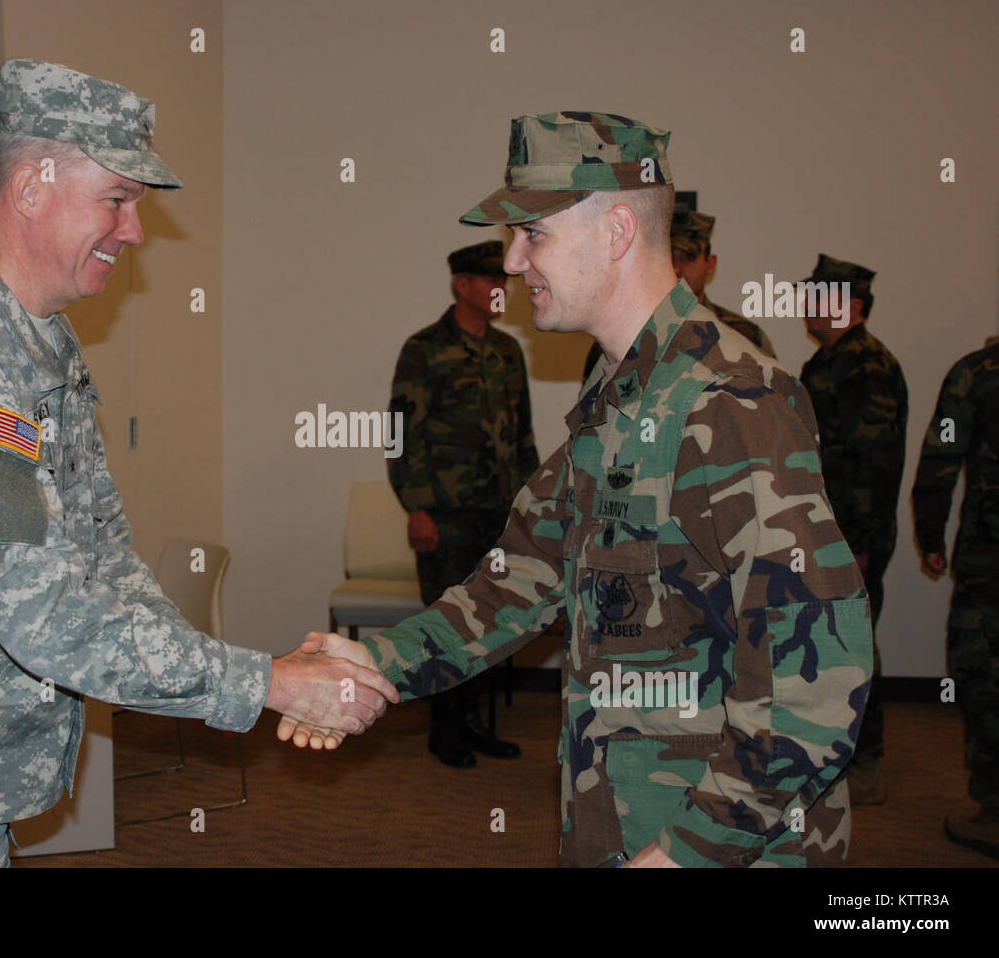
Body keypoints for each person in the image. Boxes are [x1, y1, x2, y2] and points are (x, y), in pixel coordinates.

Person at [0, 59, 398, 868]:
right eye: (115, 201)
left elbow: (101, 557)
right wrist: (271, 685)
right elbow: (48, 617)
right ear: (31, 190)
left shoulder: (37, 342)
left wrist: (264, 678)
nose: (134, 232)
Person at [279, 111, 872, 868]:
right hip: (620, 819)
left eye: (534, 234)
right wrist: (379, 662)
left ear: (617, 230)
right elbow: (520, 577)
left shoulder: (730, 402)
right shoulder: (622, 393)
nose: (515, 262)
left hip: (719, 847)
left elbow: (815, 686)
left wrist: (686, 853)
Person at [387, 241, 540, 767]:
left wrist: (530, 507)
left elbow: (523, 437)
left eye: (506, 282)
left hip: (498, 515)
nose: (502, 290)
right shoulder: (424, 349)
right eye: (492, 281)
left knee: (491, 623)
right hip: (446, 517)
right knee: (446, 621)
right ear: (463, 286)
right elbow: (401, 435)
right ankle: (445, 729)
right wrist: (417, 507)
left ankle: (473, 721)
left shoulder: (507, 351)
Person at [799, 254, 909, 805]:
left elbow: (873, 464)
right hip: (827, 532)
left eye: (820, 296)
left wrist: (858, 547)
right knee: (832, 646)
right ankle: (832, 757)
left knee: (855, 647)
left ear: (854, 307)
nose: (807, 305)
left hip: (849, 538)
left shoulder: (865, 366)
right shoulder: (831, 361)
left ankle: (864, 763)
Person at [911, 337, 999, 859]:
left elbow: (940, 457)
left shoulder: (976, 371)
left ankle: (993, 807)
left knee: (983, 676)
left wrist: (932, 537)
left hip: (989, 566)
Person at [582, 208, 773, 380]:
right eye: (670, 256)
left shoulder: (744, 335)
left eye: (689, 257)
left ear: (711, 264)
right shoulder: (619, 338)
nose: (678, 268)